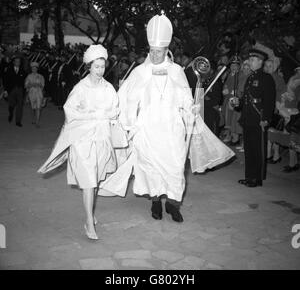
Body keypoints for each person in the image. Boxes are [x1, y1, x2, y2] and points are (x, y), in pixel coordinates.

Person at [99, 13, 234, 222]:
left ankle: (172, 204)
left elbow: (184, 98)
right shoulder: (139, 72)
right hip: (147, 129)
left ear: (166, 50)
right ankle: (155, 203)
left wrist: (192, 108)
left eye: (158, 51)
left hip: (171, 129)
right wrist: (121, 118)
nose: (154, 55)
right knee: (150, 167)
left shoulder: (176, 71)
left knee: (175, 167)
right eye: (152, 51)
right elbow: (124, 98)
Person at [38, 44, 124, 240]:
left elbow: (115, 110)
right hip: (83, 141)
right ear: (88, 67)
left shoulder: (109, 88)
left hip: (101, 140)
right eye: (96, 67)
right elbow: (70, 112)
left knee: (95, 182)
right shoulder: (80, 88)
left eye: (102, 67)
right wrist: (90, 115)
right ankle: (88, 222)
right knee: (88, 182)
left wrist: (104, 114)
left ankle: (90, 213)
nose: (100, 70)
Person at [233, 48, 276, 187]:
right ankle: (250, 176)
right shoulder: (250, 77)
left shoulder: (266, 78)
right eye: (250, 59)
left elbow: (269, 101)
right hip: (248, 118)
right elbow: (246, 100)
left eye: (252, 60)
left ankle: (257, 178)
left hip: (258, 119)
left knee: (258, 150)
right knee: (249, 149)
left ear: (260, 61)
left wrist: (266, 119)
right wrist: (237, 103)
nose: (250, 62)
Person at [2, 56, 27, 127]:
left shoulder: (23, 70)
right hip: (11, 90)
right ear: (13, 62)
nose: (18, 63)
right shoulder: (8, 70)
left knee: (20, 106)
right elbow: (5, 81)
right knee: (11, 104)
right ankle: (11, 113)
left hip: (20, 90)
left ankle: (18, 121)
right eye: (16, 61)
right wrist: (6, 90)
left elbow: (25, 80)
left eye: (19, 61)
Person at [25, 62, 45, 127]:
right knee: (33, 107)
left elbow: (43, 85)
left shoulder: (41, 76)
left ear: (37, 69)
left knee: (38, 107)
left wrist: (39, 85)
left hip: (39, 93)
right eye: (33, 68)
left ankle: (37, 122)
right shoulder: (29, 76)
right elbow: (25, 85)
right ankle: (34, 118)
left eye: (35, 68)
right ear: (31, 69)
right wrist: (31, 85)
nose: (34, 70)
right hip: (31, 93)